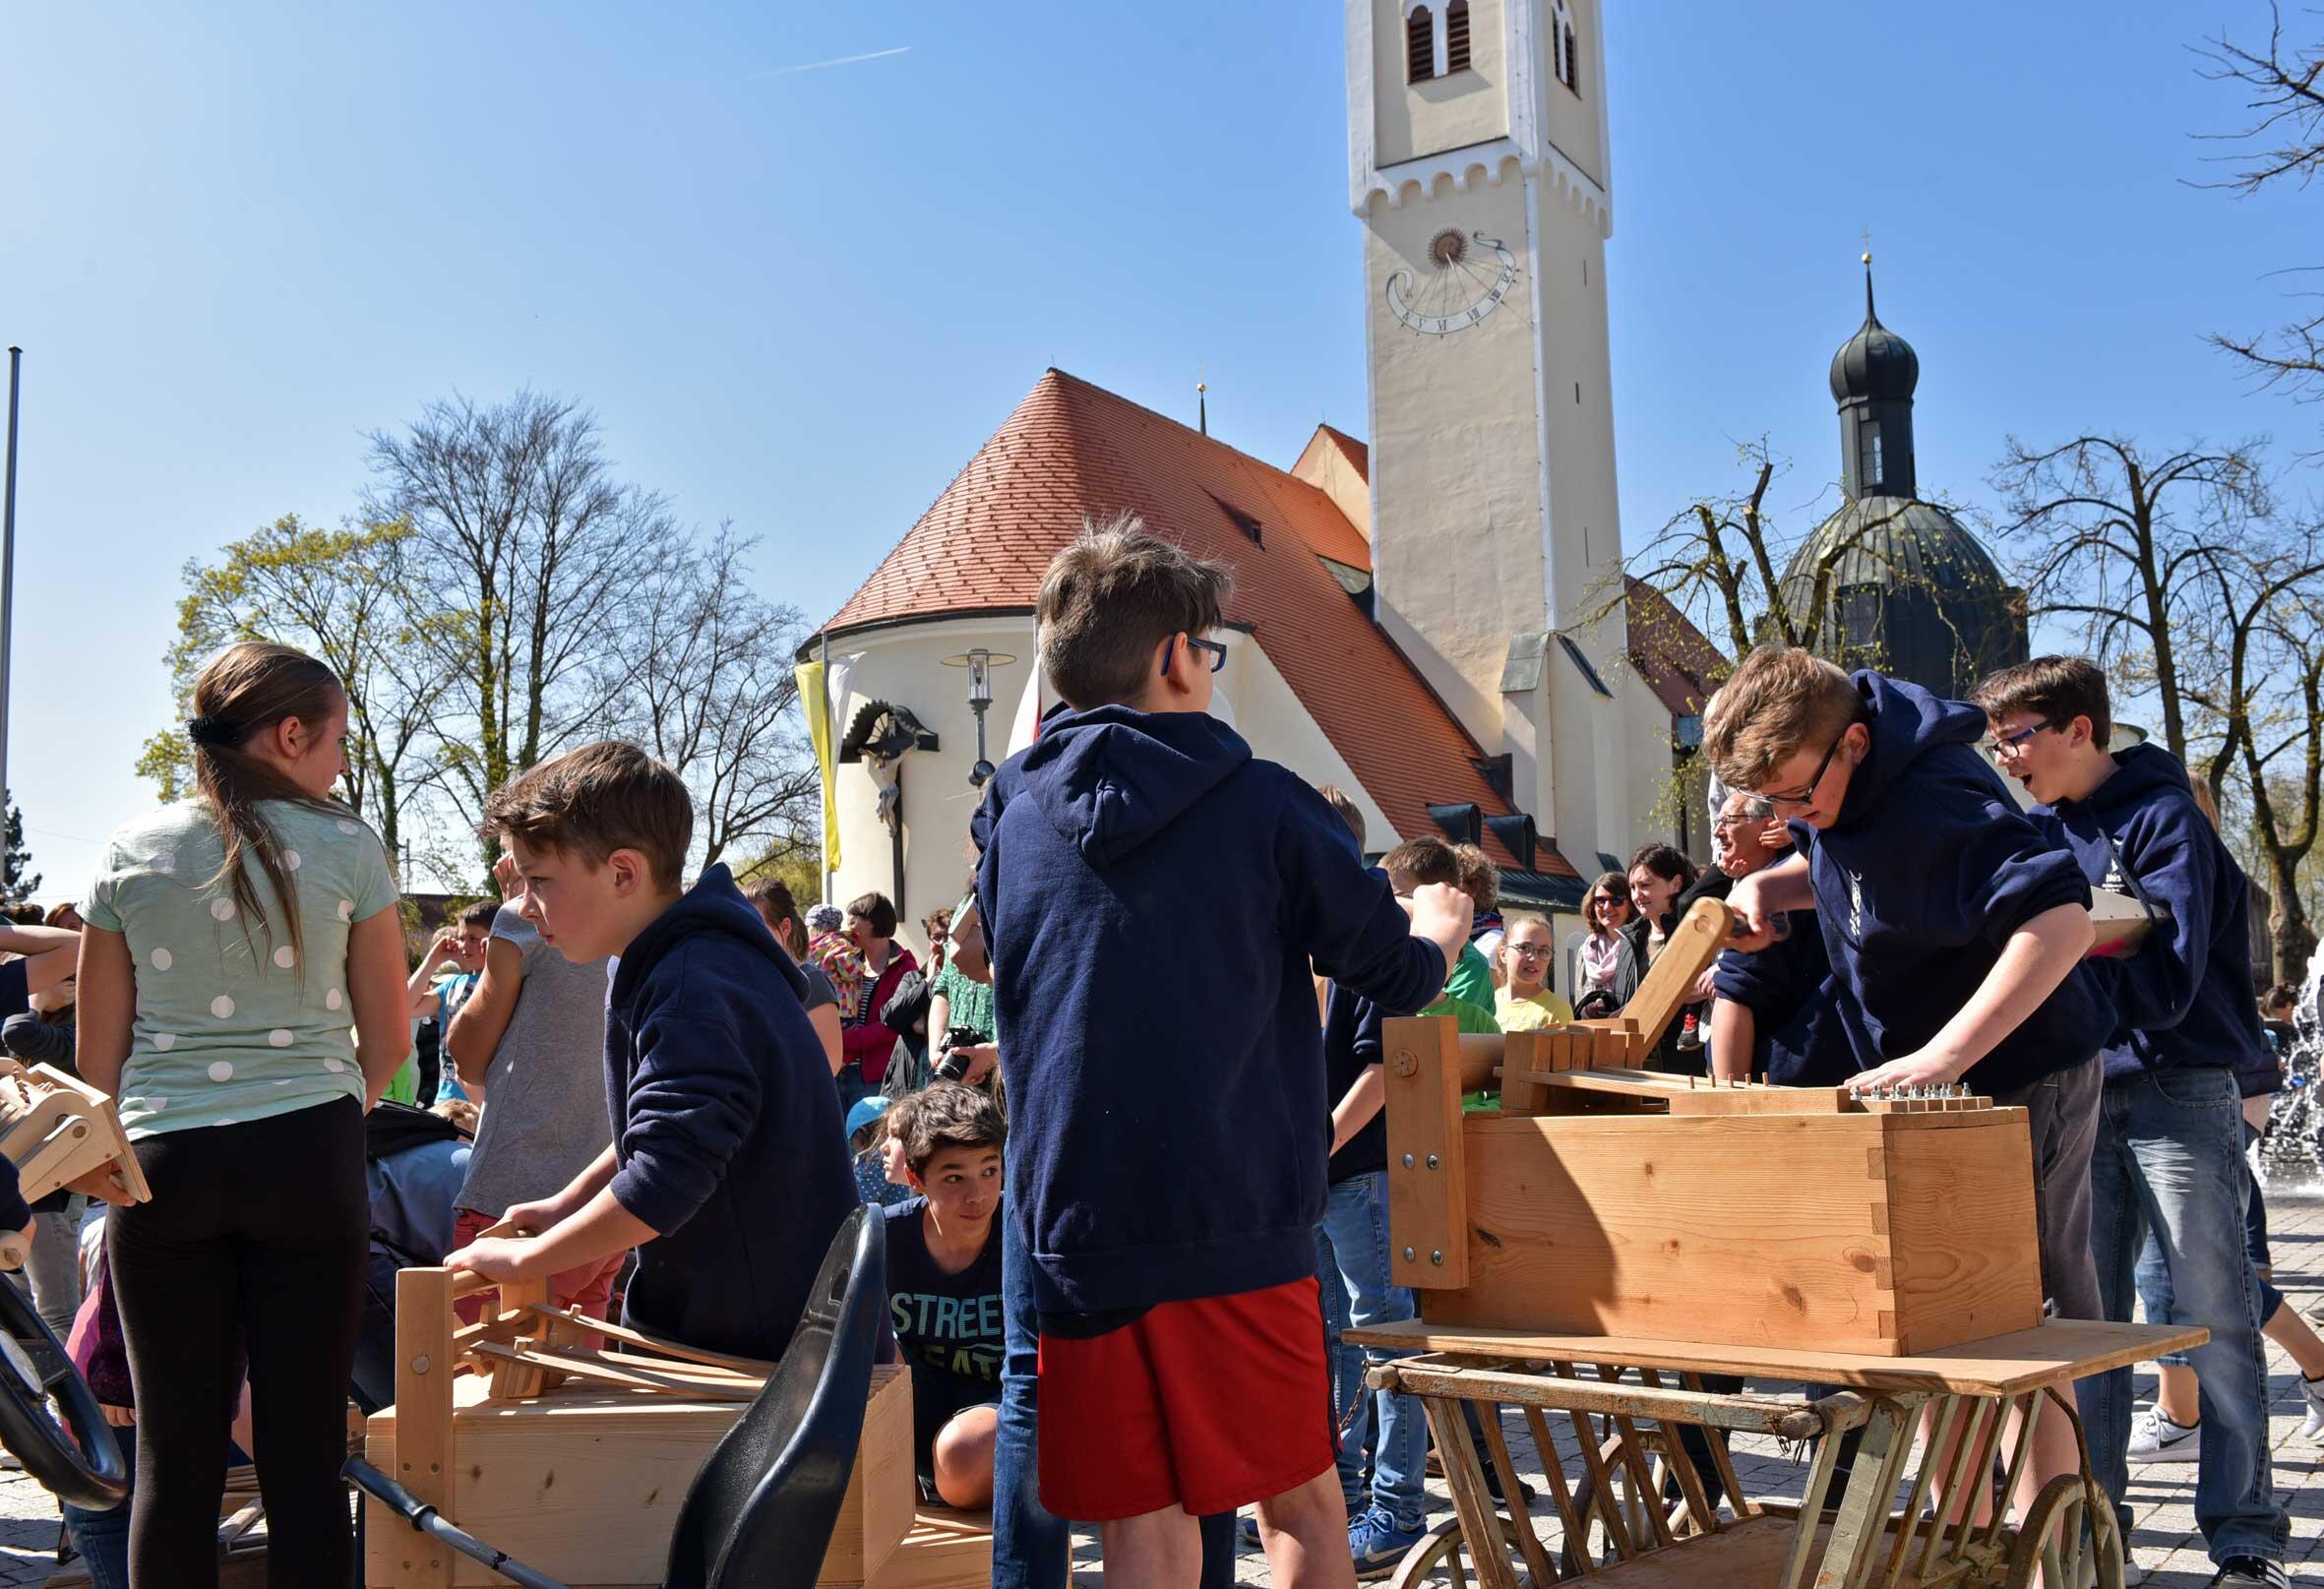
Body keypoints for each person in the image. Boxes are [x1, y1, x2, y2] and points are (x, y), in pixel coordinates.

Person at [971, 519, 1470, 1589]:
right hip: (1230, 1215)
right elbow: (1397, 977)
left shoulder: (1014, 813)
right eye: (1208, 646)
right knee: (1296, 1500)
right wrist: (1439, 924)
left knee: (1138, 1525)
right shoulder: (1266, 806)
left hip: (1074, 1222)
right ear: (1176, 658)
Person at [1708, 644, 2110, 1548]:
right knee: (1931, 1318)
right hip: (1942, 1091)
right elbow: (1836, 863)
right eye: (1770, 804)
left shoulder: (1939, 800)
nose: (1788, 816)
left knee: (2025, 1326)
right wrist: (1761, 891)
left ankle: (2058, 1547)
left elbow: (2063, 919)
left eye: (1795, 798)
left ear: (1854, 742)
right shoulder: (1834, 781)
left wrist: (1942, 1054)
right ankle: (1963, 1541)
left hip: (2024, 1076)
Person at [75, 641, 409, 1584]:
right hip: (308, 1153)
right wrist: (327, 1111)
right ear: (290, 732)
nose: (342, 762)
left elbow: (100, 1062)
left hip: (160, 1165)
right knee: (304, 1462)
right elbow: (387, 1039)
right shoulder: (348, 845)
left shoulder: (130, 851)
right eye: (337, 740)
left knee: (172, 1465)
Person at [1975, 658, 2295, 1582]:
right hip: (2075, 1091)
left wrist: (2074, 938)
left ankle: (2245, 1536)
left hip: (2180, 1088)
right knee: (2088, 1327)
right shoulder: (2037, 832)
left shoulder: (2168, 818)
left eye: (2019, 737)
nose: (2008, 758)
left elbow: (2173, 974)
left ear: (2081, 729)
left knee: (2213, 1313)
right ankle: (2093, 1530)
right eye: (1997, 744)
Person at [444, 741, 857, 1362]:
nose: (524, 908)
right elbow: (662, 1130)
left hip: (762, 1350)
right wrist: (567, 1202)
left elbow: (668, 1175)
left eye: (539, 881)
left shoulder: (692, 982)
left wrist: (530, 1259)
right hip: (751, 1328)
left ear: (622, 873)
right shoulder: (678, 959)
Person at [443, 862, 619, 1323]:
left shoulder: (523, 919)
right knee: (582, 1389)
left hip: (516, 1204)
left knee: (483, 1385)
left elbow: (467, 1058)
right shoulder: (632, 919)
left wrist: (511, 909)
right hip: (604, 1207)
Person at [884, 1081, 1007, 1507]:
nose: (977, 1194)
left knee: (960, 1457)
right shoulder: (881, 1237)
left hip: (1001, 1412)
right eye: (955, 1177)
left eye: (990, 1171)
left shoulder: (1024, 1237)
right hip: (913, 1413)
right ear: (916, 1178)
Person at [1705, 789, 1846, 1085]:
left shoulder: (1773, 898)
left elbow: (1736, 994)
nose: (1718, 830)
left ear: (1769, 825)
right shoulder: (1822, 874)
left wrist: (1732, 1111)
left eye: (1728, 820)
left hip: (1789, 1092)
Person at [744, 877, 846, 1073]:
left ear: (785, 928)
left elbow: (829, 1065)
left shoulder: (813, 981)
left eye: (756, 926)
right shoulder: (753, 979)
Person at [838, 892, 918, 1110]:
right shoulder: (846, 963)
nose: (848, 927)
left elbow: (892, 1026)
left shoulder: (904, 967)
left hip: (876, 1078)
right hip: (840, 1070)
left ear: (873, 922)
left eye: (853, 921)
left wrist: (845, 1039)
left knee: (869, 1142)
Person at [1562, 873, 1631, 1017]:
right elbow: (1580, 1001)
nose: (1607, 907)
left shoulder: (1637, 946)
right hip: (1597, 1033)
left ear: (1631, 905)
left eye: (1616, 900)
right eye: (1600, 900)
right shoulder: (1586, 950)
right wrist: (1588, 1010)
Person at [1493, 916, 1576, 1031]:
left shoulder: (1556, 1009)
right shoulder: (1488, 1004)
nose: (1534, 958)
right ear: (1503, 954)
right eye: (1524, 948)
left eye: (1543, 951)